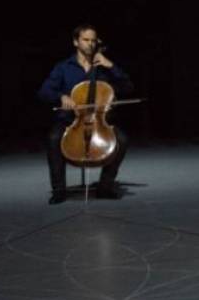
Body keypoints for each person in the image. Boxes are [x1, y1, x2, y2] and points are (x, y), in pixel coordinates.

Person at [37, 24, 134, 204]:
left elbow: (128, 87)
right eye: (85, 40)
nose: (90, 44)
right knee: (53, 138)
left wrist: (110, 65)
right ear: (76, 42)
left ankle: (105, 187)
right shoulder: (63, 67)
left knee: (122, 140)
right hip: (70, 121)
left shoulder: (104, 66)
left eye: (93, 40)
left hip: (100, 121)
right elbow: (44, 92)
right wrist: (61, 97)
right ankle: (59, 190)